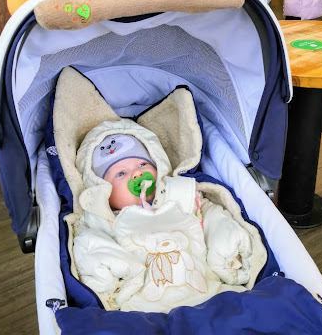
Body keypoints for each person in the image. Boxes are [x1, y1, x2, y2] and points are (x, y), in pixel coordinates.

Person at [72, 118, 267, 313]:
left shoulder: (180, 195)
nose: (137, 174)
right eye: (121, 174)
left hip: (207, 292)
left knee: (256, 307)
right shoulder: (101, 220)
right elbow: (89, 247)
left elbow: (211, 216)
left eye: (142, 164)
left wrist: (225, 248)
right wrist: (112, 281)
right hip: (143, 309)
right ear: (102, 190)